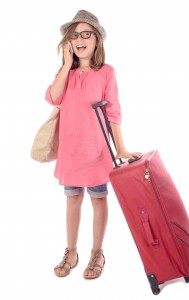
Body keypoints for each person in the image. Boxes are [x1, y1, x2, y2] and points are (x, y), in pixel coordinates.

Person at [45, 9, 142, 279]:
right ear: (68, 43)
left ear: (97, 39)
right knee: (73, 198)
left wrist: (120, 149)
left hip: (97, 149)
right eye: (74, 35)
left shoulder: (106, 72)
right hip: (71, 150)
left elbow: (114, 112)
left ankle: (97, 252)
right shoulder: (66, 73)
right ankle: (71, 251)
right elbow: (53, 98)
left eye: (86, 33)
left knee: (99, 199)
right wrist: (66, 66)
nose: (80, 39)